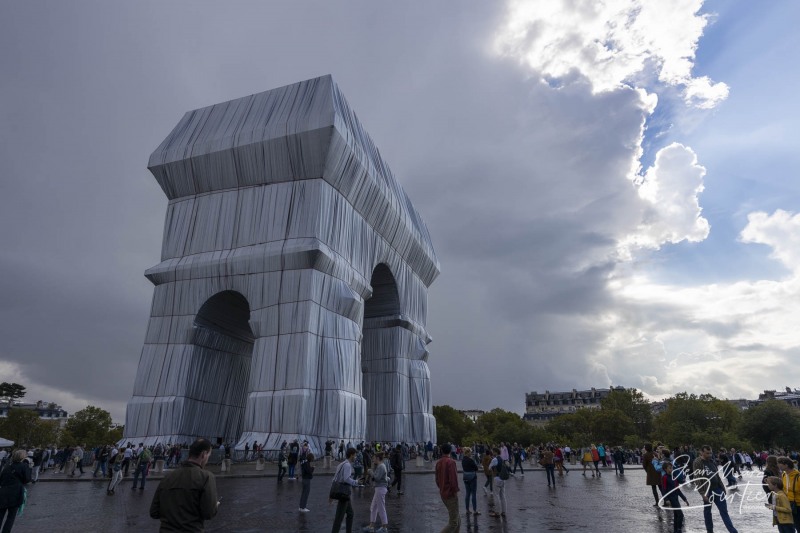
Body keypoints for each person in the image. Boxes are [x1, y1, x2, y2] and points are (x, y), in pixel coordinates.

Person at [150, 439, 218, 532]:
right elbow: (208, 513)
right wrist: (215, 505)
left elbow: (154, 512)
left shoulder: (168, 477)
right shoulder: (206, 477)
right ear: (203, 454)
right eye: (209, 456)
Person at [693, 444, 739, 533]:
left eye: (710, 453)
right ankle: (709, 531)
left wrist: (722, 488)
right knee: (707, 512)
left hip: (717, 489)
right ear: (701, 452)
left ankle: (733, 531)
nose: (709, 455)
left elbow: (717, 475)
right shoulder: (697, 462)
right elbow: (697, 478)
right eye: (707, 453)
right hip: (707, 491)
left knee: (724, 511)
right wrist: (702, 493)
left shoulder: (712, 461)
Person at [0, 449, 32, 533]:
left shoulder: (7, 465)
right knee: (11, 517)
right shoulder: (24, 466)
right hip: (15, 493)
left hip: (3, 492)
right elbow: (27, 479)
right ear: (22, 457)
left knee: (0, 515)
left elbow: (1, 478)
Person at [330, 447, 361, 533]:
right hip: (343, 493)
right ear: (351, 455)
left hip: (343, 493)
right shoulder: (347, 465)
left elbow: (334, 478)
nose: (355, 457)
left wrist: (330, 494)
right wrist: (356, 482)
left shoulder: (342, 463)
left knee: (350, 514)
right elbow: (346, 479)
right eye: (354, 455)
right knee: (339, 518)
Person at [436, 443, 460, 532]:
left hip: (443, 493)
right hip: (450, 494)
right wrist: (455, 491)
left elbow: (437, 479)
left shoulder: (439, 462)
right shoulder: (451, 462)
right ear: (450, 451)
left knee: (457, 518)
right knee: (454, 522)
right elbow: (453, 480)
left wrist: (442, 488)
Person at [363, 452, 390, 533]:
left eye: (374, 458)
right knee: (373, 507)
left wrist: (370, 472)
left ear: (378, 458)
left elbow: (377, 478)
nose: (373, 459)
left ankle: (384, 527)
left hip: (381, 489)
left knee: (381, 508)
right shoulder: (379, 466)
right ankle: (371, 526)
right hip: (379, 488)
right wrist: (373, 469)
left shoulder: (381, 466)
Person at [661, 461, 684, 533]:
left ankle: (676, 530)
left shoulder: (674, 477)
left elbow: (678, 489)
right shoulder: (664, 477)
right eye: (669, 468)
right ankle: (679, 530)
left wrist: (684, 498)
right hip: (671, 499)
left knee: (677, 515)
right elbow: (663, 489)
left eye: (672, 468)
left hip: (676, 498)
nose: (671, 469)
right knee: (680, 515)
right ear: (665, 469)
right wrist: (666, 499)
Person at [778, 456, 800, 530]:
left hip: (798, 505)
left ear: (786, 465)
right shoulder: (784, 474)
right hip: (788, 505)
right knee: (791, 526)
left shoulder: (798, 477)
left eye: (780, 464)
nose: (778, 465)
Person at [488, 447, 510, 519]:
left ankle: (497, 512)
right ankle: (504, 511)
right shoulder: (502, 459)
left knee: (496, 495)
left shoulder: (494, 459)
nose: (492, 452)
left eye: (493, 451)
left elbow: (489, 467)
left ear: (495, 452)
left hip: (497, 478)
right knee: (503, 496)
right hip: (503, 478)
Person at [461, 447, 480, 515]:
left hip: (465, 477)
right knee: (473, 494)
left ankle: (467, 509)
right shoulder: (471, 460)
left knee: (467, 494)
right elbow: (476, 468)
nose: (471, 453)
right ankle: (474, 510)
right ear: (468, 452)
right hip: (472, 477)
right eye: (470, 452)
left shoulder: (463, 460)